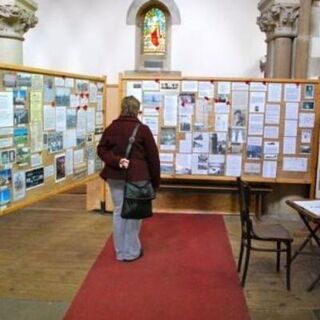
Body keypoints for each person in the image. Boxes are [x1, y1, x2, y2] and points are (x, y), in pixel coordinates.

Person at [97, 96, 160, 262]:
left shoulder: (111, 127)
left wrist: (116, 161)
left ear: (122, 108)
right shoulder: (143, 129)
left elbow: (101, 150)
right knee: (134, 214)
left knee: (118, 212)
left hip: (114, 176)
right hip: (138, 177)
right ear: (137, 110)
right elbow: (153, 159)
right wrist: (155, 183)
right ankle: (131, 252)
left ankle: (120, 252)